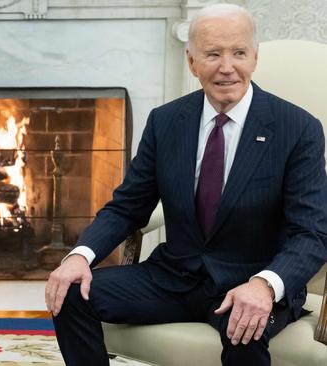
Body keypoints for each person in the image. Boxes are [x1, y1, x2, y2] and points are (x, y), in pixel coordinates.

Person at [45, 4, 327, 366]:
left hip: (252, 279)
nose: (227, 67)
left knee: (244, 329)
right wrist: (79, 256)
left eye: (239, 53)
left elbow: (311, 234)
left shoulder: (297, 129)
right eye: (213, 54)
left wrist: (265, 285)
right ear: (192, 61)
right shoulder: (166, 122)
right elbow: (127, 206)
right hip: (174, 276)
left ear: (254, 57)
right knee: (69, 291)